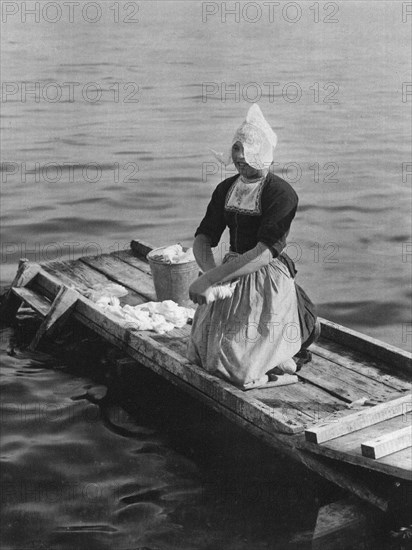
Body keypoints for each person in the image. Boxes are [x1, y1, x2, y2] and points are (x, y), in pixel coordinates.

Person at [187, 104, 318, 390]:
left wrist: (211, 279)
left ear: (263, 154)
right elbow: (204, 236)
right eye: (236, 155)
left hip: (265, 274)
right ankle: (275, 356)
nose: (238, 161)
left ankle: (283, 361)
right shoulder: (226, 188)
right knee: (201, 356)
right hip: (229, 273)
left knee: (238, 370)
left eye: (245, 155)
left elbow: (265, 251)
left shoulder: (281, 193)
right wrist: (211, 276)